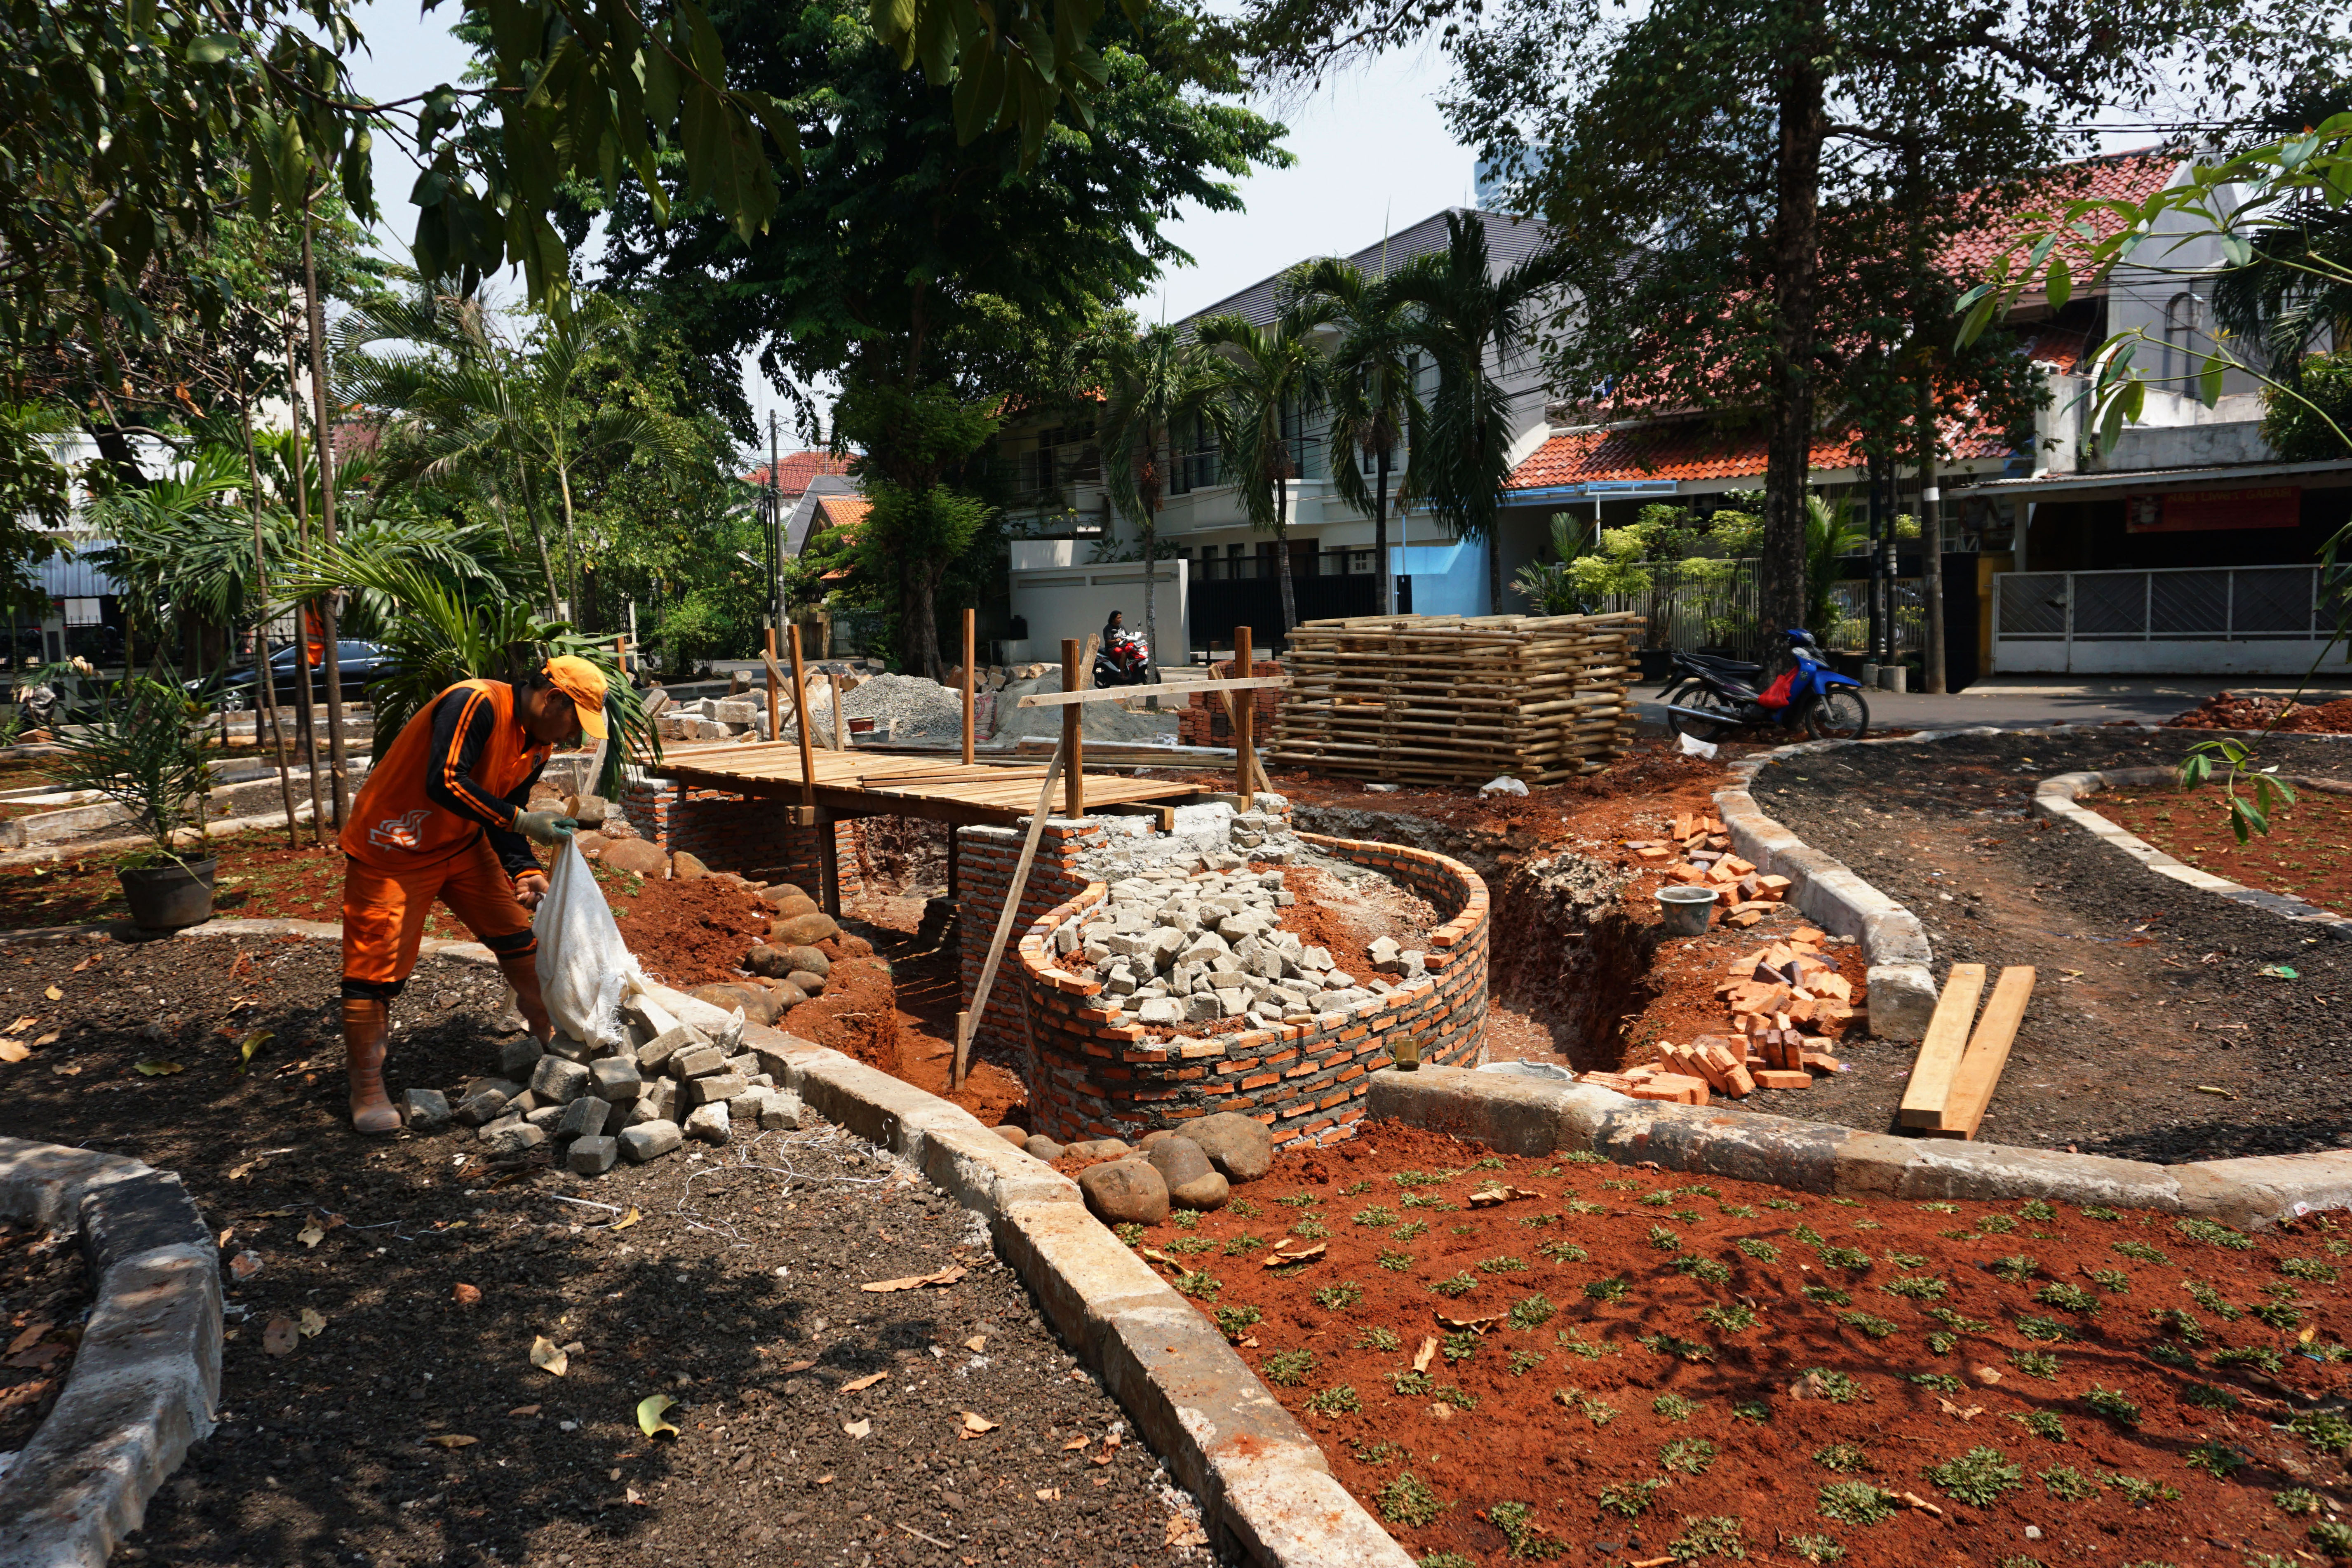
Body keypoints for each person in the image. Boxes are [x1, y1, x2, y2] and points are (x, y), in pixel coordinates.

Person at [337, 656, 609, 1133]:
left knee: (521, 944)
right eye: (574, 722)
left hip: (461, 845)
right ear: (552, 698)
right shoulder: (475, 702)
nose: (574, 737)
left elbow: (505, 808)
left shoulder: (537, 745)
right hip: (392, 847)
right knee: (373, 973)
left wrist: (523, 867)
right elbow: (445, 780)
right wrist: (522, 821)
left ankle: (549, 1044)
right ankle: (366, 1086)